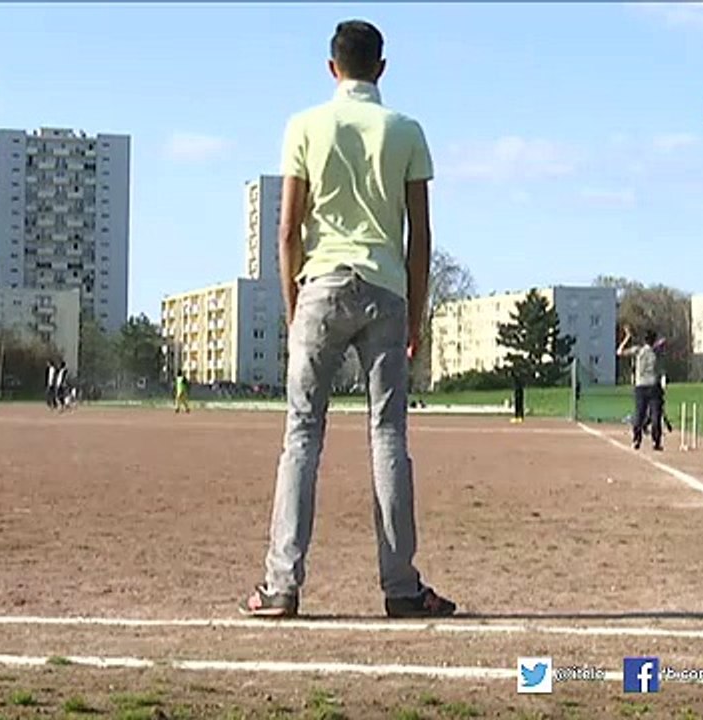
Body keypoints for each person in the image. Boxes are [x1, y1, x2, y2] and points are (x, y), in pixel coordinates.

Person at [239, 20, 455, 620]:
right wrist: (416, 310)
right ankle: (401, 587)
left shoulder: (303, 126)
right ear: (382, 68)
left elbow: (286, 230)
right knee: (388, 436)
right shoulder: (406, 130)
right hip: (385, 289)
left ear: (332, 68)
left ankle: (281, 584)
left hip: (321, 287)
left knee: (301, 435)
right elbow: (420, 234)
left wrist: (292, 307)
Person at [617, 326, 665, 451]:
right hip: (650, 387)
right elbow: (660, 344)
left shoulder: (640, 350)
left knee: (642, 414)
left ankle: (639, 440)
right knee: (651, 416)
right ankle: (654, 441)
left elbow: (619, 351)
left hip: (644, 387)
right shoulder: (653, 351)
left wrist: (627, 337)